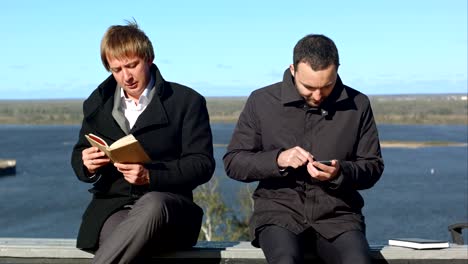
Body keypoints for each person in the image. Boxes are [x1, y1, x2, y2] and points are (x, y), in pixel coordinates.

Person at [223, 34, 384, 264]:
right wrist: (278, 159)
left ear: (337, 70)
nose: (318, 95)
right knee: (285, 261)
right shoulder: (261, 101)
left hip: (338, 216)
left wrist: (341, 173)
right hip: (279, 214)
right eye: (308, 87)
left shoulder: (359, 105)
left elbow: (373, 166)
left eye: (327, 86)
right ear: (292, 70)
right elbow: (233, 162)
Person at [71, 20, 215, 263]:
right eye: (116, 70)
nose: (126, 77)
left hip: (170, 207)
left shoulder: (186, 102)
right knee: (120, 239)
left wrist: (151, 176)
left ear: (149, 58)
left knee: (151, 204)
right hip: (115, 208)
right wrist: (87, 163)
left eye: (132, 65)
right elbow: (79, 155)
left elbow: (202, 164)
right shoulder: (97, 104)